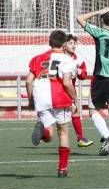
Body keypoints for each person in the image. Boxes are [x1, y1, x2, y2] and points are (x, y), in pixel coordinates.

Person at [76, 7, 109, 156]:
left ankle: (107, 136)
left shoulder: (99, 33)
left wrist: (98, 11)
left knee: (93, 111)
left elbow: (80, 18)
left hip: (101, 77)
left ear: (101, 20)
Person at [26, 30, 77, 177]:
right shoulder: (68, 60)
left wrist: (31, 100)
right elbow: (67, 83)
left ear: (50, 42)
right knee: (63, 132)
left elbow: (29, 80)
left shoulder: (37, 58)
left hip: (40, 95)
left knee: (49, 136)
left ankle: (44, 130)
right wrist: (75, 99)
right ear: (65, 44)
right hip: (59, 96)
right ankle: (62, 169)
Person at [64, 34, 94, 147]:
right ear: (64, 45)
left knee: (75, 111)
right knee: (55, 113)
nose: (73, 45)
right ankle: (43, 129)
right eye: (70, 43)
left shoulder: (78, 59)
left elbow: (84, 75)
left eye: (74, 43)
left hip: (70, 90)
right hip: (58, 89)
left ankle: (80, 138)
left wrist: (81, 73)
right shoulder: (59, 58)